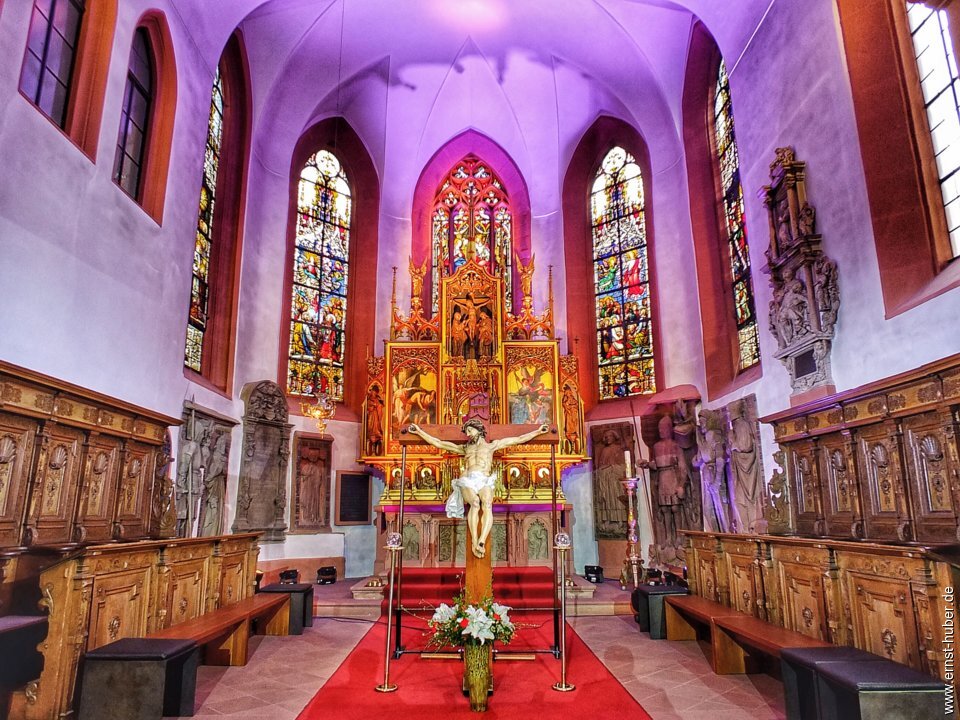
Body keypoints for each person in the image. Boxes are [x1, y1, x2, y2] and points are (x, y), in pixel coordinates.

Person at [408, 419, 550, 558]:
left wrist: (537, 432)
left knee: (487, 503)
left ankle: (481, 540)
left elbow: (518, 439)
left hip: (484, 479)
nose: (468, 434)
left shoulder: (491, 446)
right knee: (475, 503)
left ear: (479, 429)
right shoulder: (464, 448)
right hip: (468, 479)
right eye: (467, 432)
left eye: (470, 430)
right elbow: (438, 443)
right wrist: (419, 432)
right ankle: (474, 541)